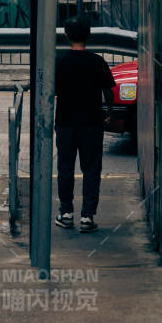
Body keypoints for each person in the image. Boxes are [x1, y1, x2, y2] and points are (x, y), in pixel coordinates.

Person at [54, 15, 115, 233]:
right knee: (91, 169)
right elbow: (108, 91)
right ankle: (87, 216)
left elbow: (50, 91)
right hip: (92, 123)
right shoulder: (97, 61)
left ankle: (66, 212)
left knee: (65, 167)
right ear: (88, 35)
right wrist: (107, 112)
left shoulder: (59, 61)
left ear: (66, 35)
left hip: (65, 123)